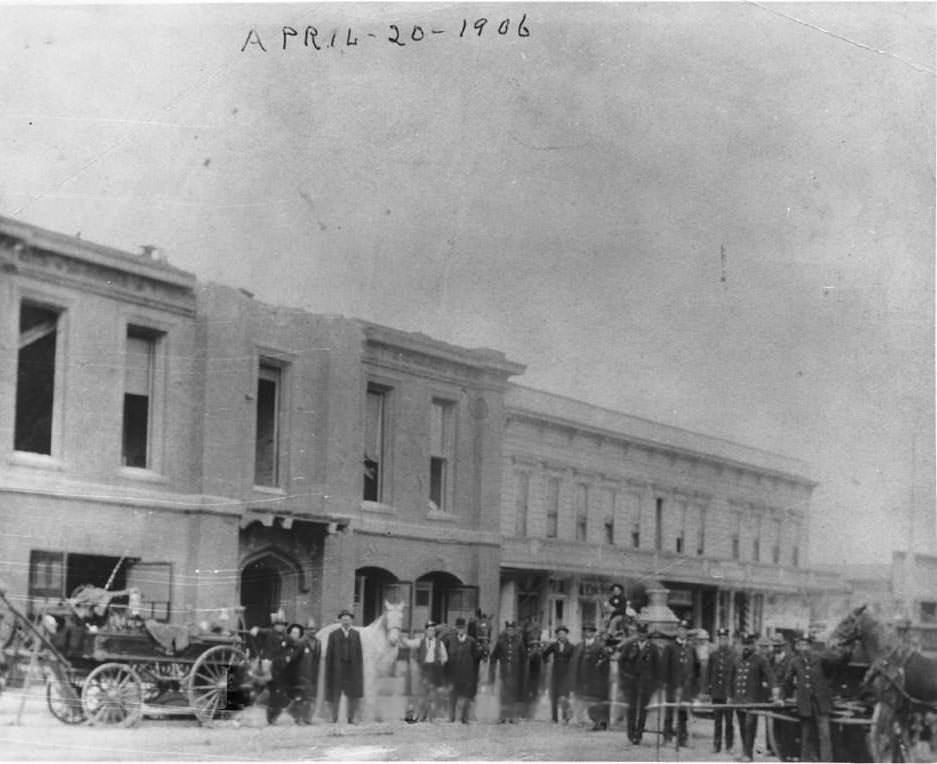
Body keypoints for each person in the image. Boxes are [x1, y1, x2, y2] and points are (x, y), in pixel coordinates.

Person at [781, 632, 847, 762]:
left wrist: (841, 650)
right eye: (800, 645)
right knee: (806, 735)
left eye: (805, 645)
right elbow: (787, 681)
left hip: (821, 703)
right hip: (805, 704)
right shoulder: (794, 662)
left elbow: (835, 666)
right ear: (797, 647)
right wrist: (782, 697)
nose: (803, 648)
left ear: (810, 646)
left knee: (825, 735)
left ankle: (826, 761)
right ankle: (806, 760)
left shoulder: (820, 659)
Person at [732, 633, 774, 763]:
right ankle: (745, 750)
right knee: (742, 727)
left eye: (749, 644)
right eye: (744, 644)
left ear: (753, 645)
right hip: (739, 699)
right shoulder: (737, 659)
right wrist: (730, 696)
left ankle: (749, 754)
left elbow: (770, 676)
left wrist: (774, 691)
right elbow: (732, 678)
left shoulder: (760, 660)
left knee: (750, 726)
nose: (746, 647)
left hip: (752, 699)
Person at [661, 619, 701, 746]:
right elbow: (664, 667)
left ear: (687, 632)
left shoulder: (691, 649)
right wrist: (665, 683)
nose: (682, 632)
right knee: (669, 713)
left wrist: (694, 686)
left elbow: (697, 667)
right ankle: (667, 738)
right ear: (677, 631)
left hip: (686, 688)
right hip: (672, 687)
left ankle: (682, 739)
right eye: (680, 630)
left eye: (684, 630)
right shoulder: (670, 648)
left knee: (683, 714)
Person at [620, 621, 659, 745]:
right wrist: (625, 677)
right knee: (631, 708)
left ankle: (639, 734)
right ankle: (631, 733)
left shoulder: (652, 648)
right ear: (637, 634)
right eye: (640, 633)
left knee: (643, 710)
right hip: (631, 683)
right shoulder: (630, 645)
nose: (642, 635)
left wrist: (653, 684)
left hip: (646, 684)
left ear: (647, 634)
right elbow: (621, 662)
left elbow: (657, 667)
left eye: (644, 633)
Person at [325, 609, 364, 724]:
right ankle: (334, 717)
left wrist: (359, 670)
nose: (346, 621)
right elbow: (329, 654)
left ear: (351, 621)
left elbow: (359, 654)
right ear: (340, 620)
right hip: (338, 668)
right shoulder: (333, 635)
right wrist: (329, 670)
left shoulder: (356, 634)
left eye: (348, 619)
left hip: (352, 669)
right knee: (335, 693)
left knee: (353, 694)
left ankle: (351, 717)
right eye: (344, 619)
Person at [261, 611, 297, 725]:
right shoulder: (269, 634)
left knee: (280, 692)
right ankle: (270, 718)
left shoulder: (287, 638)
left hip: (282, 669)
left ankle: (275, 717)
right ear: (274, 625)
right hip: (270, 666)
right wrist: (255, 630)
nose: (280, 626)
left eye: (282, 624)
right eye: (278, 624)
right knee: (273, 693)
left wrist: (289, 656)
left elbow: (296, 646)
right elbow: (260, 631)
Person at [444, 617, 482, 723]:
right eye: (458, 628)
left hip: (466, 675)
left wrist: (481, 651)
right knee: (452, 697)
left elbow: (476, 657)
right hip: (453, 674)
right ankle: (451, 718)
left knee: (466, 698)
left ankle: (464, 718)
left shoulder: (471, 641)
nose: (460, 630)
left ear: (465, 628)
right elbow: (445, 656)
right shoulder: (449, 640)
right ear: (456, 628)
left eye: (462, 628)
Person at [573, 623, 611, 731]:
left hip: (595, 679)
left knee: (595, 701)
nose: (587, 633)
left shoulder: (599, 646)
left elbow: (606, 660)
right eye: (586, 631)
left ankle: (599, 722)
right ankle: (587, 720)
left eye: (590, 632)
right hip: (582, 678)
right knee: (584, 699)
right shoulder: (579, 646)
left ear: (594, 633)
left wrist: (601, 672)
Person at [704, 627, 736, 754]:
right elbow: (708, 673)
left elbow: (735, 675)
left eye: (725, 639)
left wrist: (732, 694)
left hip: (728, 694)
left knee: (729, 722)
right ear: (718, 640)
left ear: (728, 639)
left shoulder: (733, 655)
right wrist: (707, 691)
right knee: (717, 721)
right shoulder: (713, 655)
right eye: (720, 639)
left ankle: (729, 746)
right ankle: (716, 746)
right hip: (717, 693)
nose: (722, 641)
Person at [488, 620, 528, 723]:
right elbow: (493, 656)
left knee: (513, 695)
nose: (510, 631)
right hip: (504, 673)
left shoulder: (519, 642)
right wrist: (493, 668)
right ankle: (502, 716)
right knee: (503, 695)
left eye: (512, 630)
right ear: (506, 630)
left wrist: (522, 671)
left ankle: (512, 717)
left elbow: (524, 658)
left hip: (515, 673)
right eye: (508, 629)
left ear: (514, 631)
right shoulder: (501, 642)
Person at [412, 621, 448, 722]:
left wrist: (440, 665)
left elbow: (444, 657)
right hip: (424, 669)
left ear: (435, 632)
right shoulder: (420, 642)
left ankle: (431, 717)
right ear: (425, 631)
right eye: (429, 630)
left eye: (432, 630)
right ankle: (421, 715)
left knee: (433, 694)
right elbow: (414, 656)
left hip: (434, 669)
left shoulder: (439, 643)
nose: (431, 632)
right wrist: (418, 665)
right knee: (423, 694)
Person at [289, 618, 321, 725]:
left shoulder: (318, 642)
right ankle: (298, 718)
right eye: (310, 629)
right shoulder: (301, 642)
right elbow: (293, 659)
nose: (313, 631)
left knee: (310, 697)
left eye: (314, 628)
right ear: (306, 630)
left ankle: (307, 718)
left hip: (313, 673)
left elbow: (318, 659)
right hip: (301, 674)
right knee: (301, 697)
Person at [541, 624, 576, 724]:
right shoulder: (553, 645)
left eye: (563, 634)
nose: (561, 636)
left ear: (566, 635)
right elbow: (544, 654)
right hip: (555, 673)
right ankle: (554, 718)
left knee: (564, 696)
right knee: (554, 696)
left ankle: (565, 717)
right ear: (557, 635)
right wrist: (546, 662)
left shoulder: (571, 647)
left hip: (566, 674)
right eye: (559, 634)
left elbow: (575, 659)